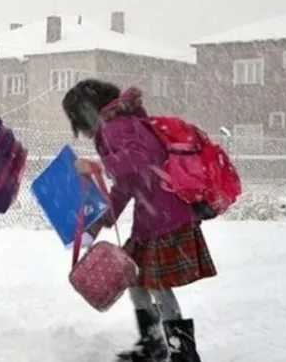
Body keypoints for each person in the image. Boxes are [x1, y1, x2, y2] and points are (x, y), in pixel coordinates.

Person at [62, 80, 215, 362]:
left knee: (156, 284)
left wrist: (96, 166)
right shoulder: (122, 124)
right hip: (156, 215)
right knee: (136, 278)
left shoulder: (115, 127)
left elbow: (139, 160)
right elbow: (127, 183)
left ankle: (183, 352)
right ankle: (154, 344)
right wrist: (104, 218)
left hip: (164, 217)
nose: (80, 131)